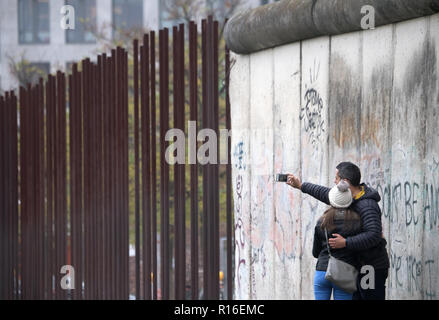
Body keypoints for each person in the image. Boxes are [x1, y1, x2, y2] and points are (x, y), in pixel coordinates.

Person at [287, 162, 390, 300]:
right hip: (357, 265)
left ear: (345, 182)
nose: (334, 182)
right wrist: (300, 186)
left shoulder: (367, 205)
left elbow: (374, 235)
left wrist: (346, 242)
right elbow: (326, 194)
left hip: (370, 267)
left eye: (336, 178)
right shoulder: (347, 198)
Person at [313, 180, 362, 300]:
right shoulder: (357, 222)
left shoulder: (322, 222)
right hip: (345, 273)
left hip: (322, 271)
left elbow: (315, 252)